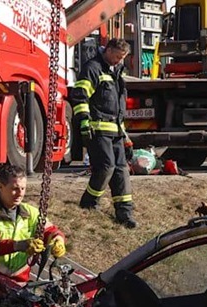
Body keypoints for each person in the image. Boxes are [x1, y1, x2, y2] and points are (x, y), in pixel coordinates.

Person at [71, 38, 137, 229]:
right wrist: (84, 120)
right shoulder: (93, 68)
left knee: (121, 169)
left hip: (115, 130)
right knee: (106, 167)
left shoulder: (116, 73)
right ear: (107, 50)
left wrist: (125, 136)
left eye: (122, 58)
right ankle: (89, 202)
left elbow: (117, 109)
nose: (118, 61)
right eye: (117, 56)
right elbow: (80, 95)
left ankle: (124, 212)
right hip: (96, 129)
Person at [0, 164, 66, 284]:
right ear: (1, 187)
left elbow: (50, 231)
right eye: (14, 188)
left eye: (23, 188)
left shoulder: (30, 212)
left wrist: (58, 240)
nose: (20, 193)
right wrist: (21, 245)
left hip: (18, 283)